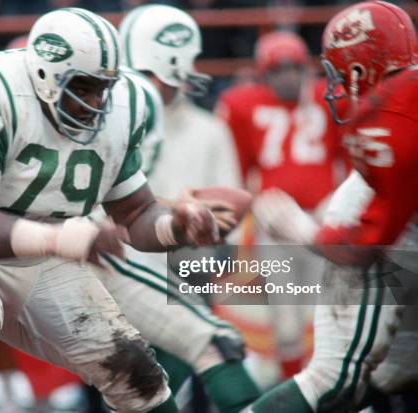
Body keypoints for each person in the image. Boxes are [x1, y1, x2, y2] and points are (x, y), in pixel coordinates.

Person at [0, 8, 221, 413]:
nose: (96, 101)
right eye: (83, 87)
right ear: (44, 76)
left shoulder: (121, 110)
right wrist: (57, 238)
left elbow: (136, 214)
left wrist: (176, 226)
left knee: (134, 369)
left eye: (103, 87)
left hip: (35, 251)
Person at [90, 5, 260, 413]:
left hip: (183, 270)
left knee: (207, 355)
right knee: (114, 386)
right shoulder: (105, 122)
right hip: (113, 273)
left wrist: (199, 222)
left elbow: (226, 221)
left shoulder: (208, 130)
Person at [250, 1, 418, 411]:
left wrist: (303, 230)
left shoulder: (392, 118)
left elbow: (364, 243)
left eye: (341, 74)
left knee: (334, 374)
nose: (335, 86)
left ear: (361, 71)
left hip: (339, 226)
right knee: (399, 364)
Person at [215, 30, 346, 379]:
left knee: (332, 315)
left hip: (323, 218)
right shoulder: (242, 104)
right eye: (277, 70)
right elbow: (239, 170)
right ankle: (295, 391)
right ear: (263, 74)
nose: (287, 76)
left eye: (293, 68)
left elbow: (348, 159)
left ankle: (336, 388)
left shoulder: (327, 96)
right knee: (287, 323)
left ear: (306, 68)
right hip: (274, 221)